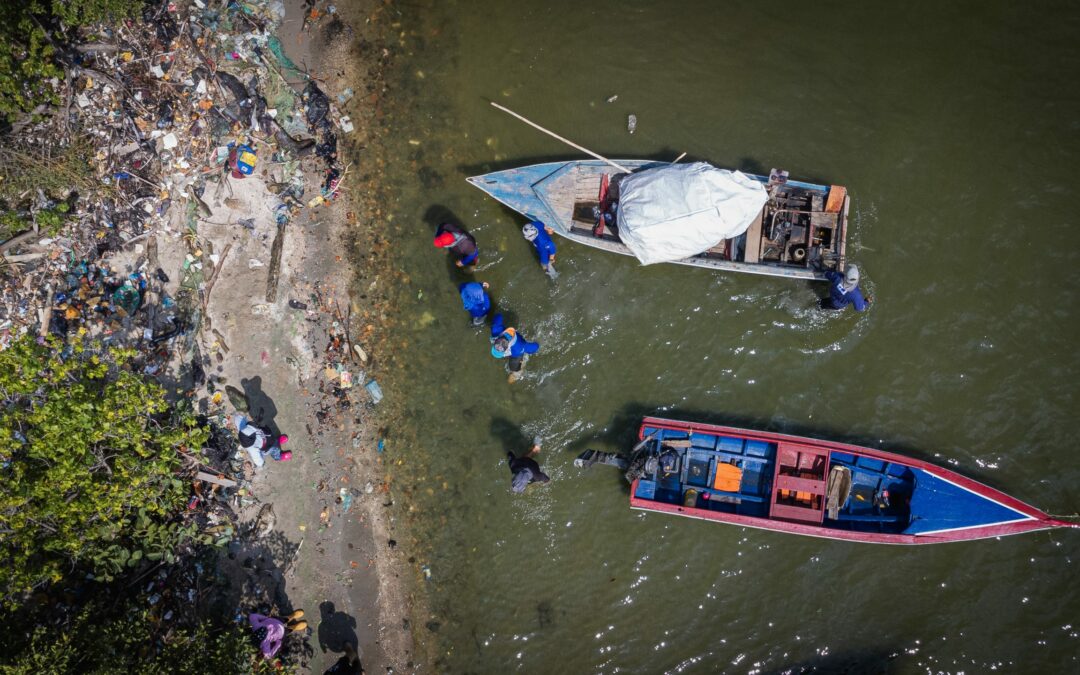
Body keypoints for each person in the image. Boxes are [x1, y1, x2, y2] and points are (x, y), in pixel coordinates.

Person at [490, 313, 540, 381]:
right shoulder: (496, 330)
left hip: (517, 350)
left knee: (514, 369)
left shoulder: (518, 348)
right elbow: (499, 316)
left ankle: (515, 375)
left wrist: (538, 343)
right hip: (516, 344)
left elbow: (535, 346)